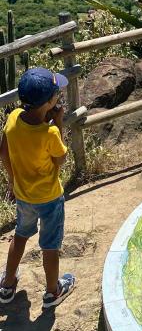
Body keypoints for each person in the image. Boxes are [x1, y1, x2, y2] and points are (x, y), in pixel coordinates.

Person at [0, 67, 76, 309]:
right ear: (50, 102)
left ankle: (7, 285)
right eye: (56, 94)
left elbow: (3, 151)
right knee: (50, 245)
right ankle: (53, 292)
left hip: (23, 195)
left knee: (20, 235)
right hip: (50, 198)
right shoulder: (50, 132)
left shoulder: (12, 119)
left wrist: (12, 181)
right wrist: (59, 123)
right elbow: (60, 160)